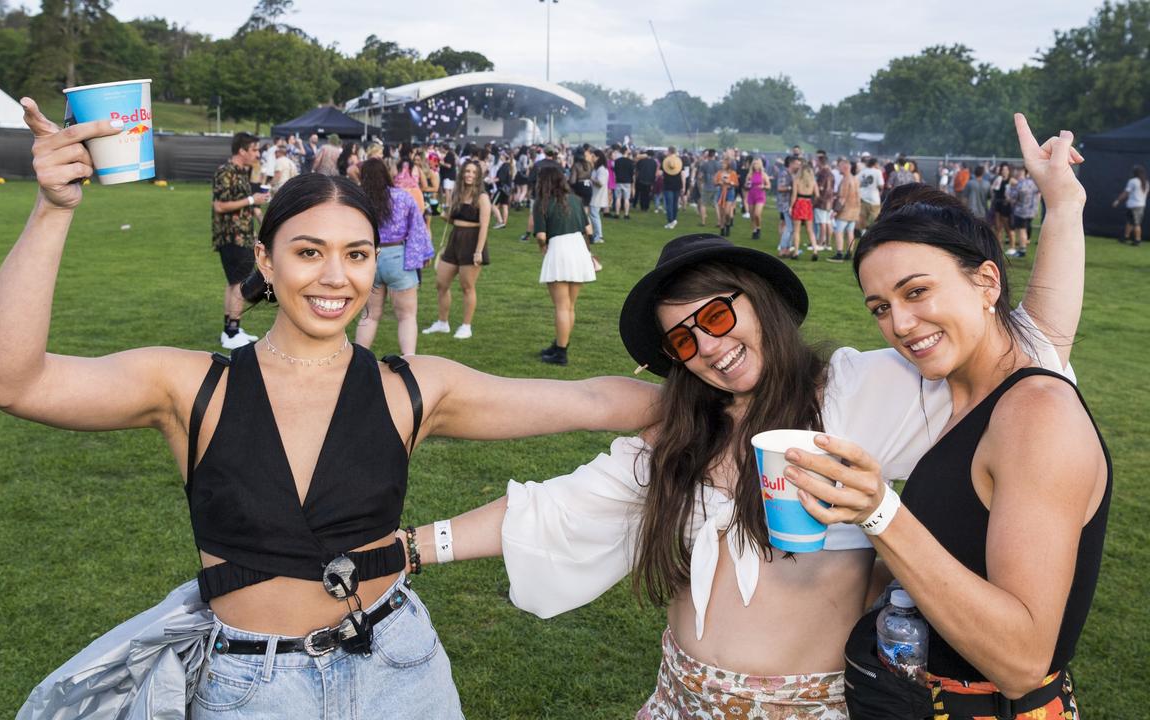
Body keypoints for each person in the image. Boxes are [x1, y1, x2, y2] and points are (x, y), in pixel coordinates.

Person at [0, 99, 662, 720]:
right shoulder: (189, 386)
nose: (335, 277)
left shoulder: (414, 389)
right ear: (267, 261)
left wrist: (736, 403)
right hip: (252, 689)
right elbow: (11, 380)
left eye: (356, 255)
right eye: (309, 253)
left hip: (403, 671)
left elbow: (593, 399)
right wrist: (52, 208)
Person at [398, 115, 1082, 720]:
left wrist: (1062, 206)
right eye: (685, 341)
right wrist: (409, 549)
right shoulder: (681, 435)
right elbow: (554, 509)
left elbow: (1024, 351)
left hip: (810, 706)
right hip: (678, 696)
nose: (711, 348)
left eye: (719, 316)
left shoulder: (857, 390)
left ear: (759, 303)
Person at [792, 117, 1101, 720]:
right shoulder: (970, 391)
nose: (900, 325)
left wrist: (880, 511)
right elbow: (1050, 319)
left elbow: (1020, 660)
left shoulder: (1035, 414)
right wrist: (1062, 204)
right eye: (880, 307)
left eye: (916, 293)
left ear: (987, 281)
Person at [353, 158, 433, 356]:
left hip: (369, 258)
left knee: (369, 315)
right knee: (406, 316)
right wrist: (423, 254)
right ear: (386, 174)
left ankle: (358, 360)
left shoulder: (358, 200)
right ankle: (409, 360)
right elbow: (417, 228)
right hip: (398, 258)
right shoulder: (403, 198)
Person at [212, 131, 270, 349]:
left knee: (234, 283)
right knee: (240, 284)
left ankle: (231, 329)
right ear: (242, 150)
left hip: (242, 235)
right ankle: (232, 331)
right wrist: (250, 199)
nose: (257, 153)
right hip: (231, 237)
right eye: (254, 149)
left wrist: (262, 217)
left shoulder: (241, 172)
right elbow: (219, 205)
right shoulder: (225, 172)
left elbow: (248, 205)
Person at [533, 166, 596, 366]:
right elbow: (589, 229)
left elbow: (541, 236)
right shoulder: (576, 200)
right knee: (570, 306)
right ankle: (561, 344)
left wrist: (542, 247)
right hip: (578, 249)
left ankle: (560, 353)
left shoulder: (542, 203)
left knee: (561, 306)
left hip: (559, 249)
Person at [422, 160, 490, 340]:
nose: (469, 175)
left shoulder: (482, 197)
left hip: (472, 241)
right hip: (455, 239)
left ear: (478, 176)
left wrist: (479, 251)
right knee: (441, 283)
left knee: (467, 286)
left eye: (473, 172)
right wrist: (438, 212)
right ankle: (442, 323)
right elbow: (452, 219)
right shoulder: (458, 194)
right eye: (467, 171)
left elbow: (484, 226)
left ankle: (466, 326)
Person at [829, 158, 859, 263]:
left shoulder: (845, 180)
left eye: (839, 166)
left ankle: (839, 254)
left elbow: (842, 198)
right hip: (855, 210)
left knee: (838, 232)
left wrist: (835, 211)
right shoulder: (855, 178)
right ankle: (849, 253)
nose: (838, 168)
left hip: (845, 211)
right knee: (850, 232)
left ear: (845, 167)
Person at [1007, 166, 1040, 258]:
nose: (1017, 174)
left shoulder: (1020, 184)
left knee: (1021, 231)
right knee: (1025, 230)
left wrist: (1011, 186)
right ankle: (1023, 247)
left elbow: (1012, 198)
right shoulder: (1033, 183)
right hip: (1031, 211)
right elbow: (1038, 194)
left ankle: (1022, 250)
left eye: (1019, 172)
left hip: (1021, 211)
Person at [789, 158, 817, 260]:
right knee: (810, 230)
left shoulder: (796, 180)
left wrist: (791, 207)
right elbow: (817, 194)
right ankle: (815, 250)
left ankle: (796, 252)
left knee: (797, 230)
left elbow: (793, 196)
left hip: (799, 204)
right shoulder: (813, 181)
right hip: (808, 204)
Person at [1112, 164, 1147, 246]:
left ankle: (1137, 240)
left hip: (1134, 206)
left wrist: (1117, 200)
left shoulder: (1133, 181)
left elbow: (1126, 193)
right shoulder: (1145, 183)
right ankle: (1126, 237)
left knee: (1136, 223)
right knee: (1130, 222)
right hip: (1140, 205)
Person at [588, 147, 610, 244]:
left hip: (597, 196)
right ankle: (596, 235)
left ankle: (599, 236)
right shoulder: (597, 168)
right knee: (594, 215)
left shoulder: (602, 170)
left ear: (598, 157)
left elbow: (600, 183)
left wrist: (590, 179)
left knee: (594, 215)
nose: (592, 158)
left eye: (593, 156)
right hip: (595, 195)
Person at [697, 149, 723, 228]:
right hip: (716, 186)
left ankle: (703, 221)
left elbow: (700, 176)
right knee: (716, 204)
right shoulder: (719, 164)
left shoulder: (704, 164)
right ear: (714, 155)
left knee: (703, 204)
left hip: (707, 186)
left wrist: (701, 181)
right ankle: (719, 222)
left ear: (708, 155)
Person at [858, 156, 884, 232]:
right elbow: (881, 185)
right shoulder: (878, 172)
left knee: (862, 217)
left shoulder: (863, 171)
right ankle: (873, 232)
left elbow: (857, 182)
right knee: (875, 218)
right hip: (874, 198)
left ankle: (863, 233)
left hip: (863, 197)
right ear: (875, 164)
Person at [744, 157, 768, 240]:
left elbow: (769, 185)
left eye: (757, 163)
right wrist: (747, 185)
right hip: (751, 195)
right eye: (754, 164)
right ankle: (754, 230)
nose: (755, 165)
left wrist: (764, 186)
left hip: (760, 195)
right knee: (752, 215)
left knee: (757, 214)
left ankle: (758, 228)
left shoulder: (763, 175)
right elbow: (746, 185)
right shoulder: (750, 175)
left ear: (760, 165)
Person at [990, 163, 1013, 246]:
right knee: (998, 227)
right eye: (1003, 170)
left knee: (1007, 227)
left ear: (1009, 171)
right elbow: (992, 189)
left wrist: (1010, 198)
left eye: (1006, 170)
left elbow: (1017, 189)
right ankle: (999, 246)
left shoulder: (1011, 180)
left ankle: (1012, 246)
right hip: (997, 203)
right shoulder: (998, 179)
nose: (1004, 171)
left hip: (1005, 205)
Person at [662, 147, 684, 229]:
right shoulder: (679, 161)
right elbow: (683, 175)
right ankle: (674, 219)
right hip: (677, 185)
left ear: (669, 151)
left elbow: (659, 173)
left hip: (668, 185)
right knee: (675, 204)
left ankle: (670, 221)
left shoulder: (665, 161)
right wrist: (683, 186)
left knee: (669, 204)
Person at [613, 146, 635, 219]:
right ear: (626, 151)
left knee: (618, 198)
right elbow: (632, 172)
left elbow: (615, 170)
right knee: (626, 198)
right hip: (627, 181)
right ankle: (626, 214)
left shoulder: (617, 161)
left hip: (618, 180)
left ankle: (617, 213)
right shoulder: (630, 161)